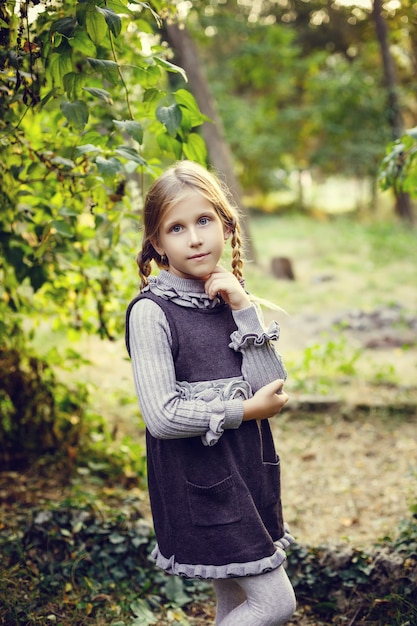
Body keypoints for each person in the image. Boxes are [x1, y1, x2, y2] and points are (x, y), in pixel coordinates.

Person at [125, 160, 296, 625]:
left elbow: (270, 389)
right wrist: (244, 410)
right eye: (176, 228)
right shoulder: (152, 312)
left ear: (225, 224)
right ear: (158, 244)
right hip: (201, 482)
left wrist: (244, 310)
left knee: (236, 599)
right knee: (275, 604)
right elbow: (161, 415)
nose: (195, 238)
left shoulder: (228, 296)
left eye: (204, 221)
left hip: (246, 472)